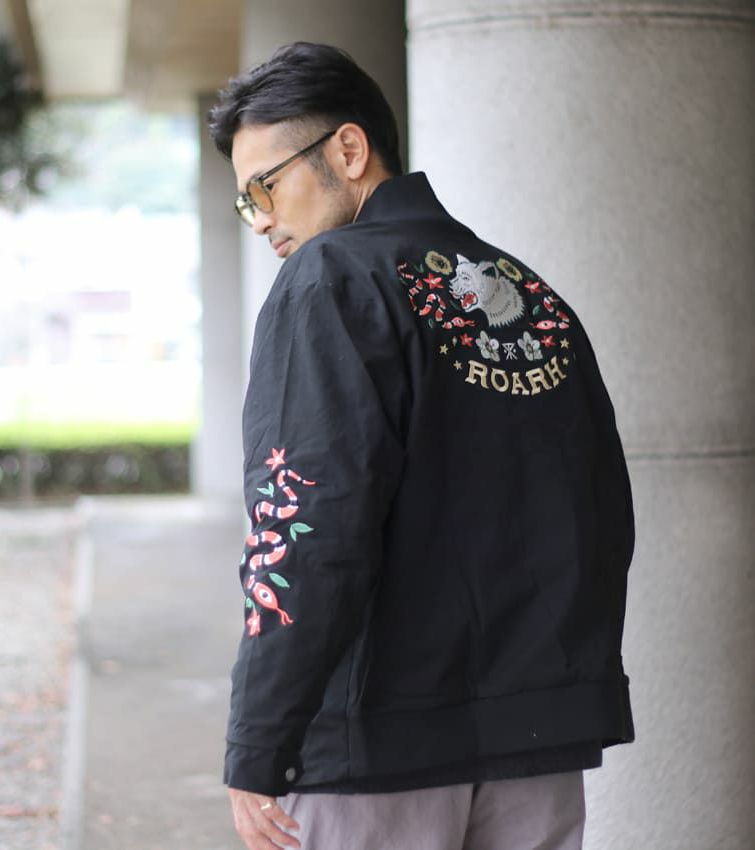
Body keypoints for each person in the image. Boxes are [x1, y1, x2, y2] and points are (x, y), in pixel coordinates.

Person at [208, 42, 635, 850]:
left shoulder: (330, 280)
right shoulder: (529, 292)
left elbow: (303, 525)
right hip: (537, 740)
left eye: (266, 186)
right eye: (245, 202)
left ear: (348, 150)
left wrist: (259, 739)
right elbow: (601, 503)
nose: (260, 218)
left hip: (377, 750)